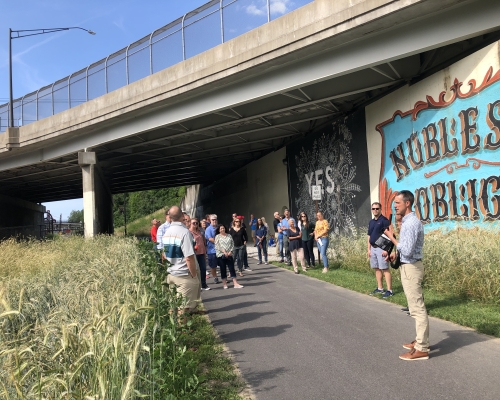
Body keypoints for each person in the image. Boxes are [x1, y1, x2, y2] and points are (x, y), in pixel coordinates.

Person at [384, 190, 429, 361]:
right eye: (394, 203)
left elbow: (408, 250)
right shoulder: (409, 221)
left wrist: (391, 238)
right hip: (409, 264)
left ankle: (422, 348)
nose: (394, 206)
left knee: (417, 309)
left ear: (407, 203)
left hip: (411, 268)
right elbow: (407, 249)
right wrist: (396, 254)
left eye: (397, 203)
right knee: (415, 307)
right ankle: (420, 340)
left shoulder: (410, 223)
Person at [162, 206, 201, 318]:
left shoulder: (167, 232)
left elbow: (164, 255)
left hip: (171, 274)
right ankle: (183, 332)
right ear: (182, 216)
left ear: (170, 217)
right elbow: (189, 257)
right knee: (183, 309)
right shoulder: (184, 232)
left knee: (172, 307)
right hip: (183, 274)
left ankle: (173, 330)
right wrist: (193, 274)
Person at [367, 202, 393, 298]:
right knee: (377, 269)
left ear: (380, 209)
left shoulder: (384, 220)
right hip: (373, 248)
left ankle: (390, 290)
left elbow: (390, 235)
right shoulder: (371, 222)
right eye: (373, 209)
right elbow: (369, 236)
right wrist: (368, 249)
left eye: (377, 208)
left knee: (385, 269)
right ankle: (380, 288)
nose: (375, 210)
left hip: (381, 248)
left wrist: (387, 250)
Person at [215, 224, 244, 289]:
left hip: (229, 254)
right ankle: (224, 284)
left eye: (223, 228)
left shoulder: (229, 236)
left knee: (232, 269)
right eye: (221, 229)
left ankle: (235, 283)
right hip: (221, 255)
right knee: (223, 269)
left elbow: (232, 244)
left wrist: (230, 251)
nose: (222, 229)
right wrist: (224, 251)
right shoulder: (217, 236)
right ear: (219, 230)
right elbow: (217, 246)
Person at [190, 217, 210, 291]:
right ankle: (197, 285)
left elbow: (203, 241)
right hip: (194, 253)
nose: (195, 224)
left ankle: (203, 284)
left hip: (201, 252)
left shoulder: (200, 231)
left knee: (203, 269)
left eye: (196, 223)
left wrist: (205, 250)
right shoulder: (189, 232)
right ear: (190, 224)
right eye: (193, 223)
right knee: (196, 270)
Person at [205, 214, 221, 284]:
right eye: (213, 220)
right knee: (213, 266)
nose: (214, 221)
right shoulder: (208, 229)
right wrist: (219, 243)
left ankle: (224, 277)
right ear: (210, 220)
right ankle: (215, 277)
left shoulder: (219, 228)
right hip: (212, 251)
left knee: (222, 264)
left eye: (215, 219)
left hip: (220, 250)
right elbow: (210, 239)